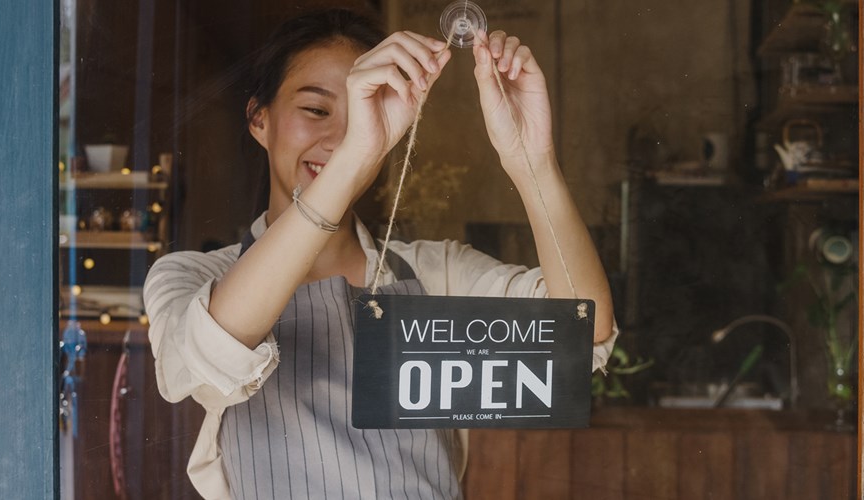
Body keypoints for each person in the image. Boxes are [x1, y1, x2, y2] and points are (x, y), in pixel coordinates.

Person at [144, 8, 617, 500]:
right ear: (259, 119)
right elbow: (208, 355)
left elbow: (578, 336)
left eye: (361, 115)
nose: (341, 135)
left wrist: (532, 159)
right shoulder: (194, 277)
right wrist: (351, 158)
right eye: (317, 110)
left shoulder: (436, 272)